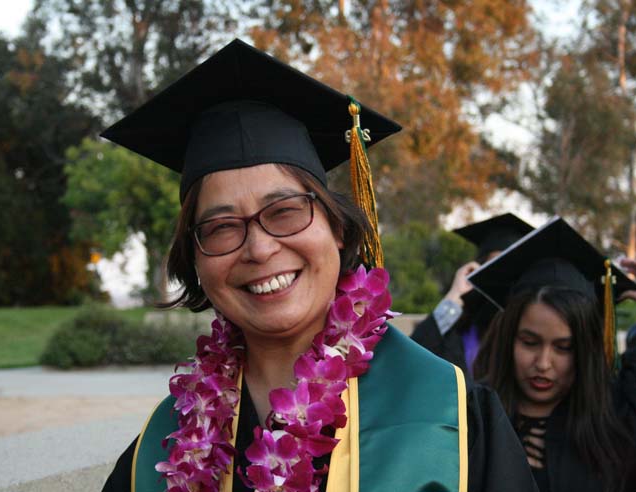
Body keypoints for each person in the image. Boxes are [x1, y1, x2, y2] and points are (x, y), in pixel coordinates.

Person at [100, 39, 537, 492]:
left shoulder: (452, 416)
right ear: (195, 261)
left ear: (339, 228)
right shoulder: (159, 452)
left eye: (285, 211)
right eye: (222, 227)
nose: (260, 249)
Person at [470, 217, 636, 492]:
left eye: (563, 348)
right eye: (529, 342)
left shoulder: (615, 419)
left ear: (585, 349)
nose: (543, 363)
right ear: (509, 338)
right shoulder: (473, 417)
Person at [411, 213, 534, 376]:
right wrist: (454, 296)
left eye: (509, 266)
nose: (501, 275)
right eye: (494, 265)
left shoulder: (530, 330)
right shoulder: (461, 328)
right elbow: (412, 356)